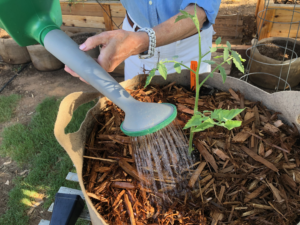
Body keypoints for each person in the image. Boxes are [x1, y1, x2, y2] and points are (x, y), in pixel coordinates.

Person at [65, 1, 221, 82]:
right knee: (136, 100)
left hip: (189, 49)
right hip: (132, 39)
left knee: (194, 103)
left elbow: (199, 12)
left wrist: (140, 41)